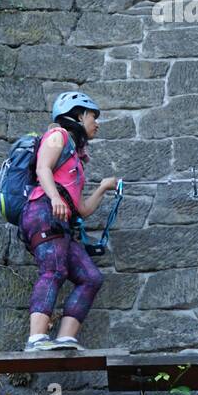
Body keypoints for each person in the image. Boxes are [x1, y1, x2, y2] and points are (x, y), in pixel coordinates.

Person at [20, 91, 118, 352]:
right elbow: (43, 168)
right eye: (92, 117)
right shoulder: (58, 135)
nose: (96, 124)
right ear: (78, 115)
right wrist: (54, 198)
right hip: (42, 212)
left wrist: (104, 188)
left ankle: (65, 338)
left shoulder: (76, 157)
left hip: (60, 221)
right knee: (54, 270)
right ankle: (36, 339)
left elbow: (82, 210)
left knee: (91, 277)